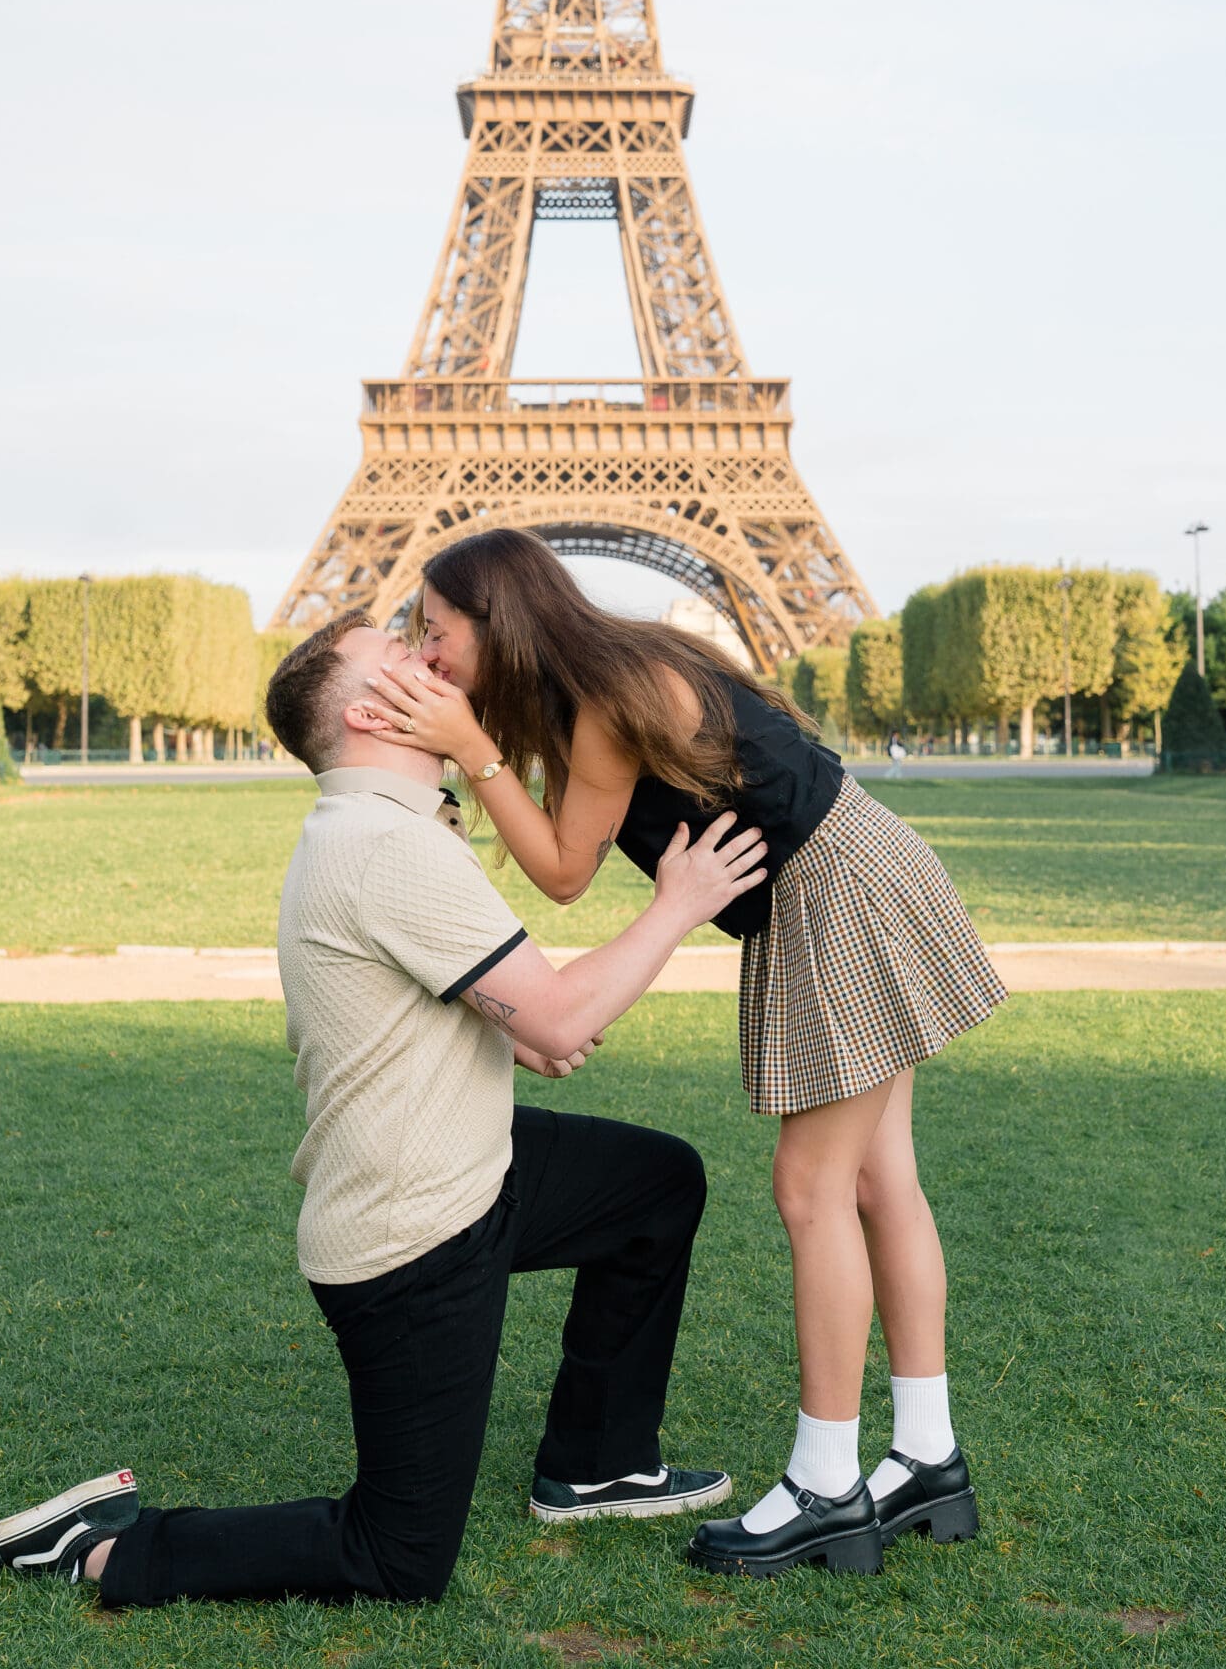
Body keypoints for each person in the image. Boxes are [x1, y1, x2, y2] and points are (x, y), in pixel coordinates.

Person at [0, 611, 763, 1607]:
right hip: (412, 1235)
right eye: (399, 654)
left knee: (655, 1183)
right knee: (397, 1556)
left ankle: (595, 1463)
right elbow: (558, 1017)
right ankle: (104, 1548)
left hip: (476, 1162)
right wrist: (676, 904)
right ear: (377, 712)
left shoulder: (382, 827)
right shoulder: (384, 843)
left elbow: (420, 987)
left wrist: (500, 1026)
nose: (430, 654)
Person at [362, 529, 1005, 1580]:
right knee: (884, 1179)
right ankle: (927, 1457)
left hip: (834, 889)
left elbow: (566, 872)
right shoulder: (615, 670)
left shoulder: (613, 699)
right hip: (851, 864)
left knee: (813, 1191)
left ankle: (826, 1484)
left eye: (437, 632)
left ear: (501, 622)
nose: (425, 654)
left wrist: (472, 748)